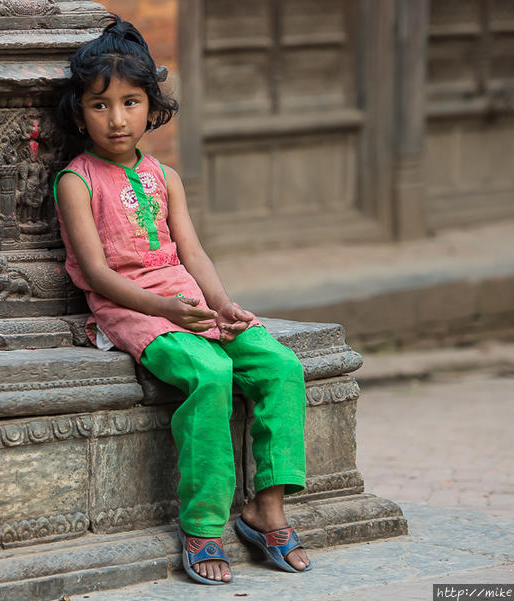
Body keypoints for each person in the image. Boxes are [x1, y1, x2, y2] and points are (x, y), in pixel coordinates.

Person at [53, 15, 311, 585]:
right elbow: (95, 273)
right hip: (134, 312)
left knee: (280, 364)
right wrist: (162, 311)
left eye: (130, 101)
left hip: (190, 302)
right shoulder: (78, 180)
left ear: (152, 107)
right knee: (212, 374)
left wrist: (223, 304)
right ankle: (201, 525)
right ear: (79, 112)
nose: (117, 119)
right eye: (100, 105)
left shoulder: (164, 176)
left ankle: (265, 508)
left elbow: (192, 252)